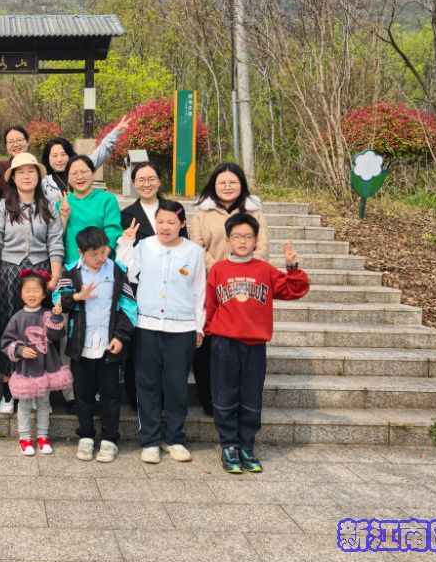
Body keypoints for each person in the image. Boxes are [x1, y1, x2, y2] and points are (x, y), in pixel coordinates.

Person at [207, 214, 309, 474]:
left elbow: (294, 290)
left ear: (255, 241)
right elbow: (210, 304)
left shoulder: (264, 269)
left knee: (251, 396)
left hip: (254, 345)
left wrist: (292, 266)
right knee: (224, 394)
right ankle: (229, 445)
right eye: (237, 236)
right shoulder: (218, 269)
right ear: (228, 240)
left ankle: (246, 446)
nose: (242, 241)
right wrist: (209, 332)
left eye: (248, 236)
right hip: (224, 343)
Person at [117, 200, 206, 465]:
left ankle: (175, 438)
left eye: (171, 222)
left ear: (182, 224)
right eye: (160, 221)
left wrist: (199, 326)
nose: (165, 227)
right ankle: (150, 440)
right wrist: (126, 243)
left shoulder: (194, 251)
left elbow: (199, 291)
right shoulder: (145, 246)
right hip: (147, 326)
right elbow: (125, 271)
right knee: (147, 383)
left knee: (177, 384)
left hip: (182, 328)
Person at [0, 153, 65, 415]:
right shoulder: (2, 207)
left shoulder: (48, 206)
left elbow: (55, 242)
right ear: (13, 178)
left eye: (31, 171)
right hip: (9, 272)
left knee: (42, 329)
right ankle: (9, 389)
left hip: (41, 272)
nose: (26, 176)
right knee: (10, 327)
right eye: (21, 172)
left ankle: (42, 389)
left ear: (38, 176)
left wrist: (54, 277)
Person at [188, 161, 269, 416]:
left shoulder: (254, 213)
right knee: (208, 344)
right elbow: (196, 247)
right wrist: (220, 269)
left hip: (245, 288)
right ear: (213, 185)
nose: (227, 186)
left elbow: (262, 248)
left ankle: (239, 402)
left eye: (232, 182)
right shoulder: (201, 214)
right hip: (210, 285)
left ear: (241, 184)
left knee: (240, 346)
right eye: (221, 182)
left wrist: (243, 271)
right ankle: (210, 401)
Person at [55, 226, 136, 464]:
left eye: (103, 251)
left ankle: (110, 439)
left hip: (110, 344)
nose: (100, 257)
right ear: (81, 252)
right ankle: (86, 436)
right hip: (81, 344)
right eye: (94, 254)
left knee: (111, 393)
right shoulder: (71, 271)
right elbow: (57, 300)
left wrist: (120, 337)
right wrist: (77, 297)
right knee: (83, 393)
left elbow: (130, 306)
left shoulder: (118, 270)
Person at [118, 160, 188, 411]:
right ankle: (138, 399)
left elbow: (185, 244)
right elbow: (124, 255)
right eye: (140, 180)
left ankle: (167, 399)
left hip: (171, 288)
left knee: (168, 348)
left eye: (151, 179)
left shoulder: (173, 209)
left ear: (159, 181)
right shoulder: (127, 214)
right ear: (133, 184)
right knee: (139, 346)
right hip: (140, 289)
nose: (146, 184)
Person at [0, 269, 72, 456]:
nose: (31, 294)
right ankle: (24, 438)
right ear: (21, 293)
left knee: (43, 403)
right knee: (24, 404)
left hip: (45, 367)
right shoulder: (17, 317)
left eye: (36, 290)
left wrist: (56, 317)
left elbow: (55, 335)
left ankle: (43, 436)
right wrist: (20, 350)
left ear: (44, 293)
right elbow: (6, 342)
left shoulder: (47, 314)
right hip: (26, 369)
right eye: (27, 290)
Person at [39, 114, 130, 205]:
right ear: (48, 158)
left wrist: (116, 132)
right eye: (54, 155)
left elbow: (101, 151)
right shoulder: (44, 183)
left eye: (63, 154)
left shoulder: (81, 168)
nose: (59, 159)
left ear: (69, 154)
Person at [57, 155, 124, 267]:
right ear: (67, 177)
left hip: (103, 266)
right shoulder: (62, 203)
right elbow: (56, 237)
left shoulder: (107, 199)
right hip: (72, 267)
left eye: (84, 172)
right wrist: (64, 217)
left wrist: (99, 260)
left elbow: (113, 232)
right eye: (74, 173)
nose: (79, 177)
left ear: (93, 173)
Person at [0, 124, 31, 202]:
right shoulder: (0, 167)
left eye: (19, 140)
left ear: (28, 141)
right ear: (6, 146)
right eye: (10, 142)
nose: (15, 145)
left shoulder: (36, 167)